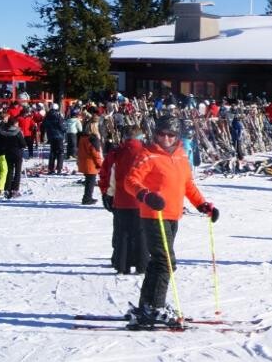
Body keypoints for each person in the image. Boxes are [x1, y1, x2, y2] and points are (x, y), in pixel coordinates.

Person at [124, 115, 218, 326]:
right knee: (166, 262)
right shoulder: (147, 155)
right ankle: (156, 307)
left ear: (177, 136)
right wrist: (145, 195)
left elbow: (187, 185)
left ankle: (147, 305)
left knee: (158, 262)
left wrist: (202, 205)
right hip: (154, 215)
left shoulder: (181, 156)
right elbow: (130, 181)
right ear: (155, 134)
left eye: (171, 135)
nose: (165, 138)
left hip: (173, 215)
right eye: (161, 134)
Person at [99, 125, 149, 275]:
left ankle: (122, 264)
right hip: (142, 199)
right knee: (141, 233)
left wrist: (108, 193)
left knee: (122, 233)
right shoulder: (147, 153)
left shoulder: (116, 152)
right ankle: (142, 264)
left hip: (121, 198)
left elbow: (109, 175)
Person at [76, 121, 103, 205]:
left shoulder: (82, 137)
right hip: (91, 163)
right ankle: (87, 198)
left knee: (89, 181)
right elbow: (95, 153)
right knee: (90, 182)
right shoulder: (92, 139)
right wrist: (100, 164)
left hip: (84, 162)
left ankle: (87, 197)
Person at [0, 115, 26, 199]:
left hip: (8, 153)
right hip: (17, 153)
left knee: (9, 171)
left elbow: (2, 142)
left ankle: (8, 188)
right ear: (14, 124)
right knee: (17, 171)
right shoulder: (17, 132)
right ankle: (15, 189)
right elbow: (23, 144)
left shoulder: (4, 131)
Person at [42, 103, 66, 174]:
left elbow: (44, 125)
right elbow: (62, 126)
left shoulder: (47, 116)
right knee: (60, 152)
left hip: (51, 136)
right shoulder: (58, 116)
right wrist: (64, 129)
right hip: (59, 136)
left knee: (52, 152)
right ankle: (59, 168)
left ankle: (51, 168)